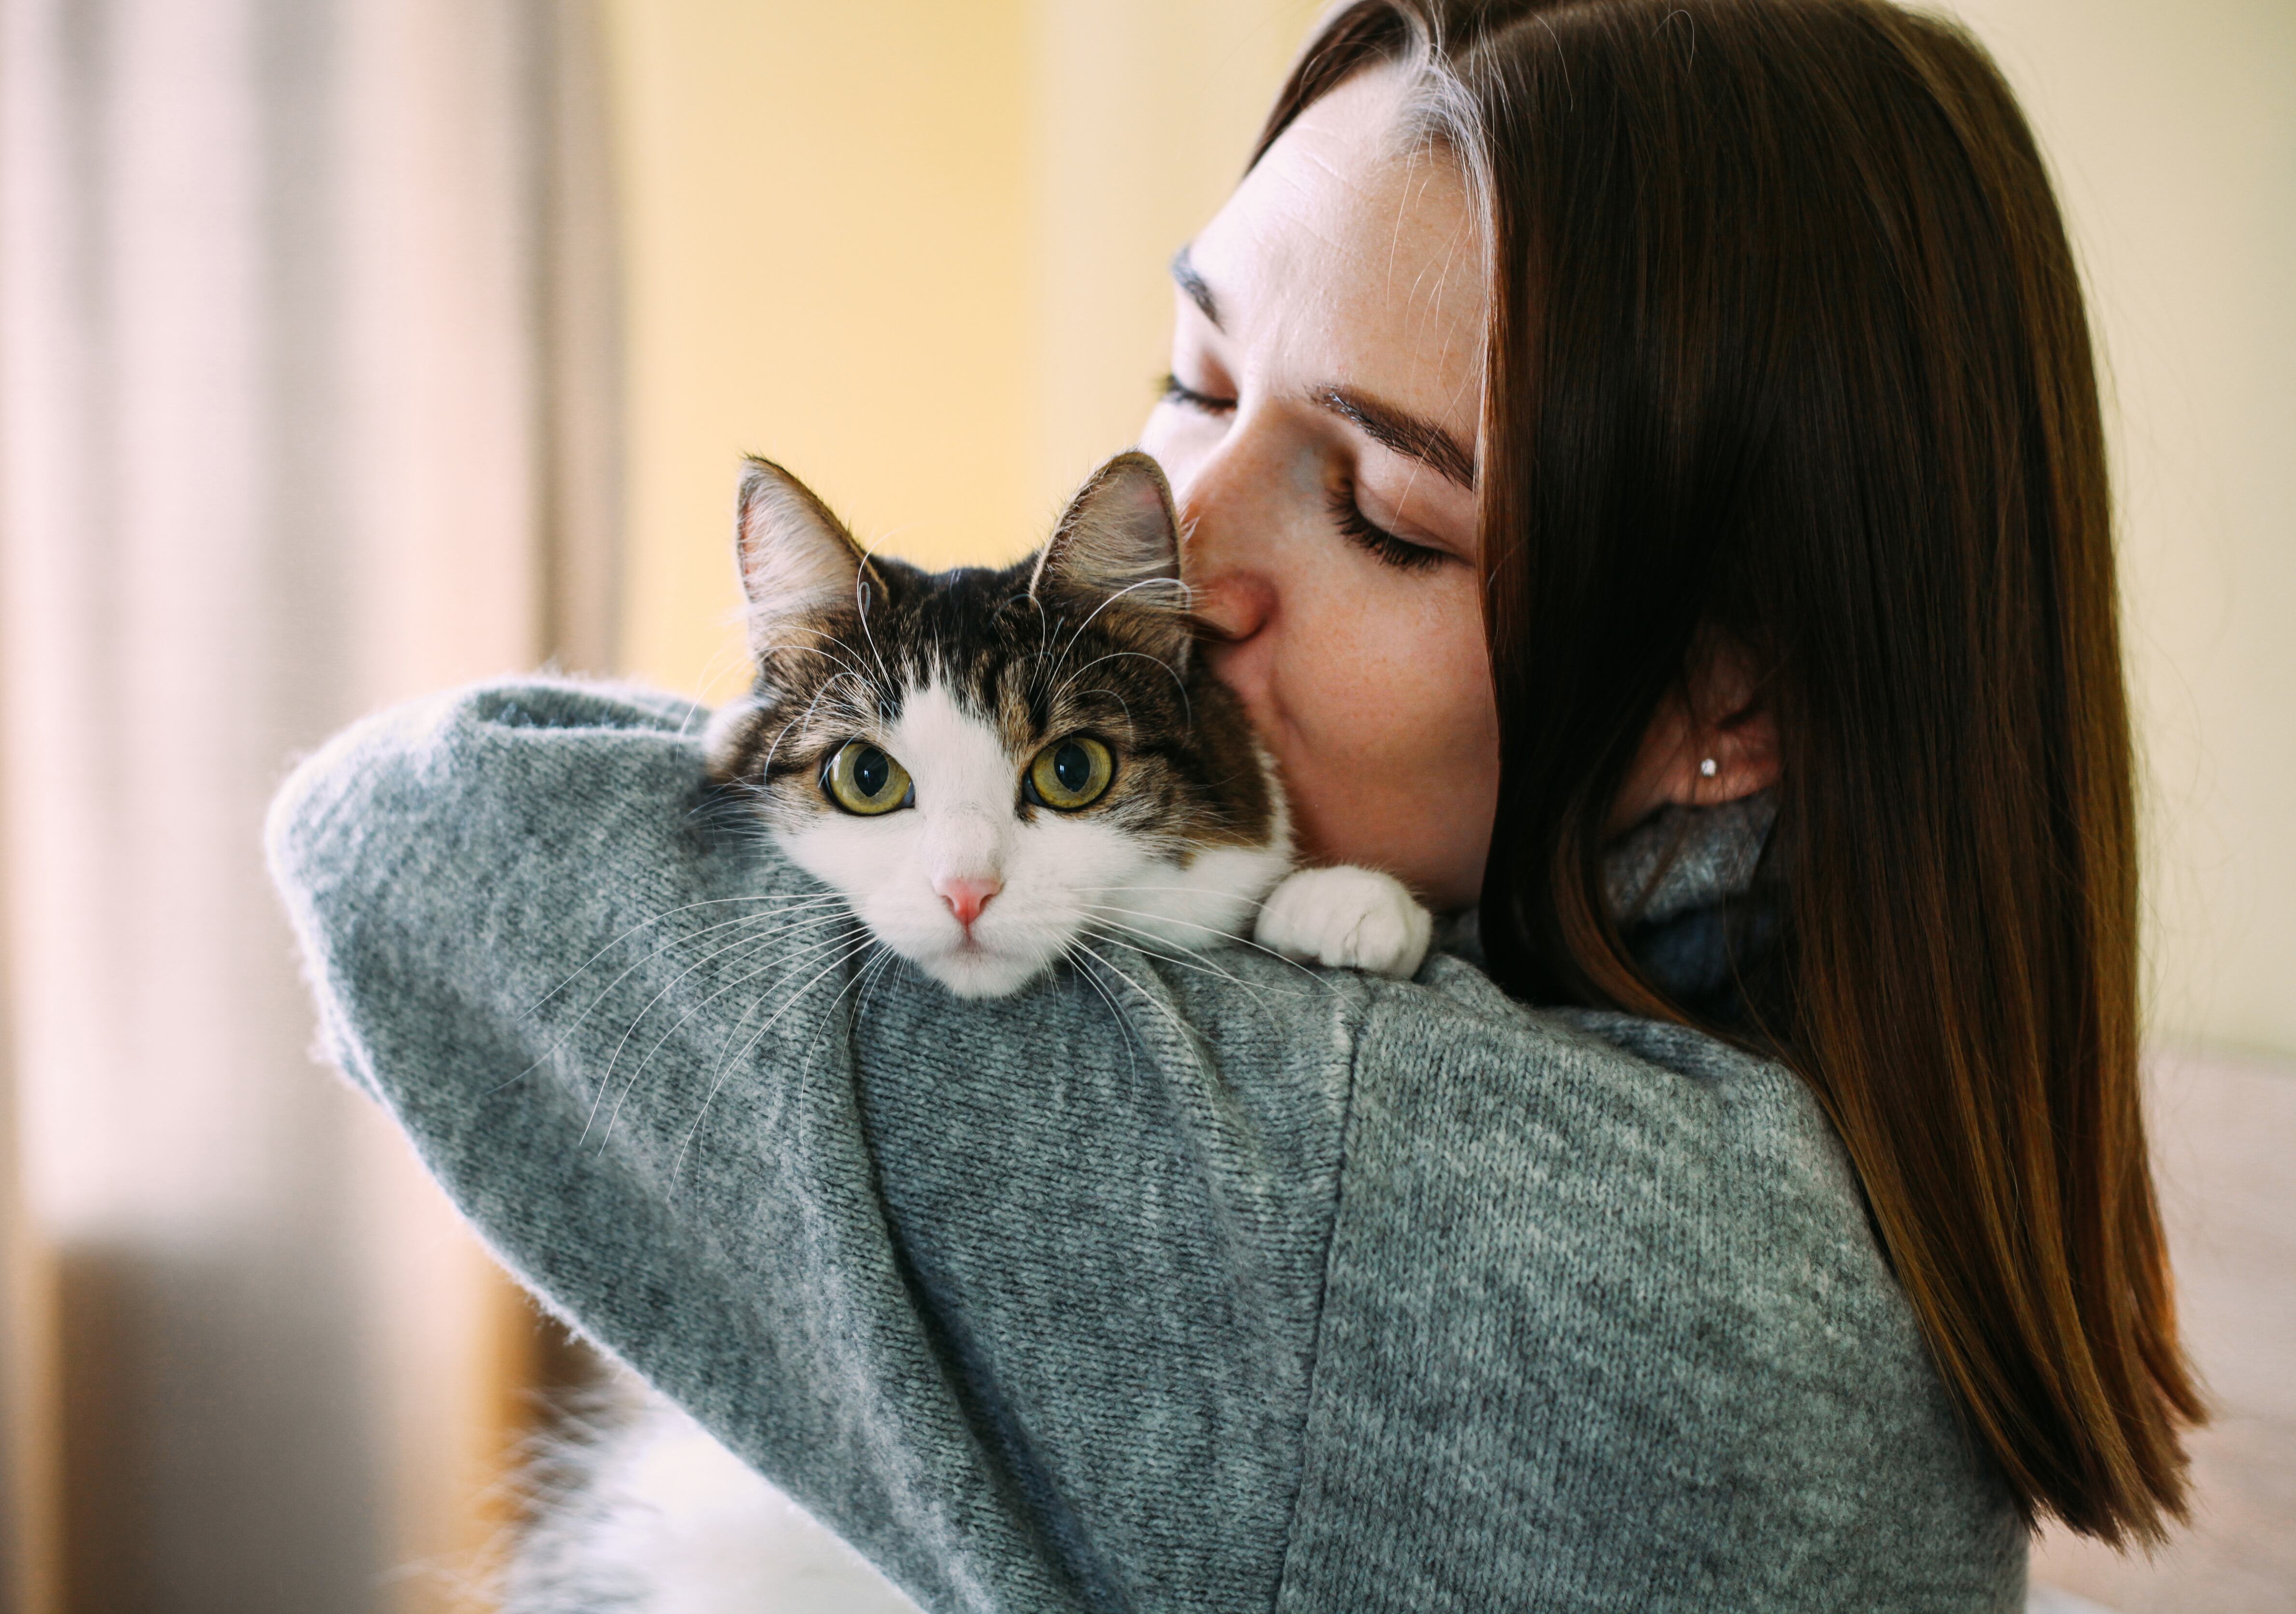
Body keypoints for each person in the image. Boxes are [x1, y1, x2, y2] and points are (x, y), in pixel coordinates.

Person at [267, 0, 2204, 1606]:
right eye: (1190, 379)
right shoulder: (1811, 1153)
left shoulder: (1474, 1223)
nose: (1178, 561)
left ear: (1724, 703)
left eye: (1380, 514)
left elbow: (416, 844)